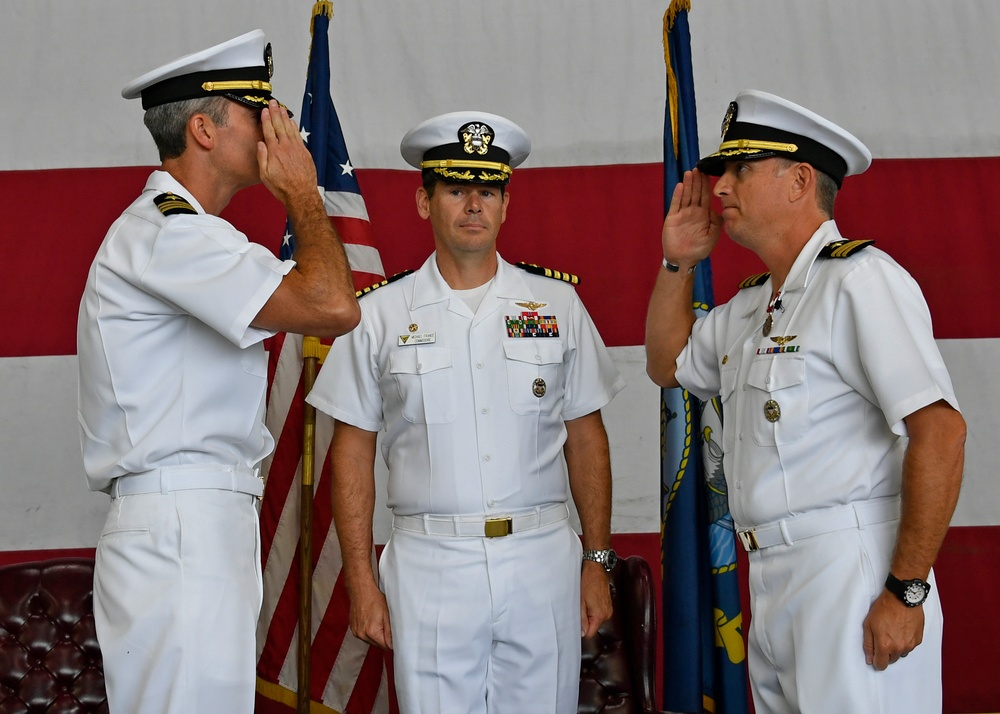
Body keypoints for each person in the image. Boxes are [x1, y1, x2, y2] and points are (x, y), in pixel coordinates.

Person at [644, 90, 966, 713]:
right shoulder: (749, 305)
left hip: (849, 570)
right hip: (771, 575)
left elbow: (942, 433)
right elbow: (668, 364)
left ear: (798, 181)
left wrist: (906, 590)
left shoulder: (860, 280)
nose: (721, 189)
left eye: (741, 170)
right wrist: (677, 265)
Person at [77, 30, 360, 714]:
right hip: (180, 521)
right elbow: (332, 305)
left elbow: (327, 304)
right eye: (256, 112)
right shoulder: (167, 231)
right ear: (203, 129)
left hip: (205, 519)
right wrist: (303, 194)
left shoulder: (203, 236)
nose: (277, 130)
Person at [305, 111, 625, 713]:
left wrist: (596, 558)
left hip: (540, 559)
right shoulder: (376, 314)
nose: (474, 204)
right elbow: (352, 450)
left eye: (488, 190)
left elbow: (587, 437)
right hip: (430, 565)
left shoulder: (556, 302)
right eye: (456, 189)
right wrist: (360, 576)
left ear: (506, 204)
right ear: (424, 202)